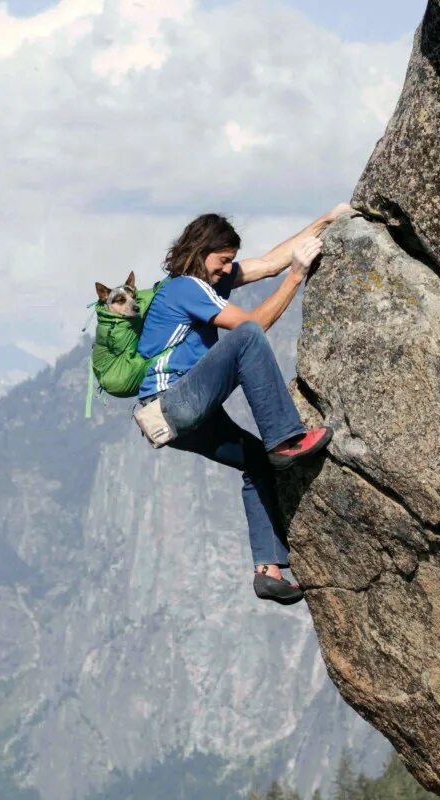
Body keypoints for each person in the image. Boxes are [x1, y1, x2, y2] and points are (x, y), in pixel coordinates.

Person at [135, 204, 352, 604]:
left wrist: (325, 221)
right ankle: (286, 439)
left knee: (256, 462)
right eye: (222, 261)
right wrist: (298, 276)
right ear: (201, 252)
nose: (226, 269)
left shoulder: (204, 283)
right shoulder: (186, 286)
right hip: (172, 402)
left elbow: (269, 263)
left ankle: (268, 570)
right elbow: (254, 325)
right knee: (249, 335)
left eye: (230, 262)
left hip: (171, 419)